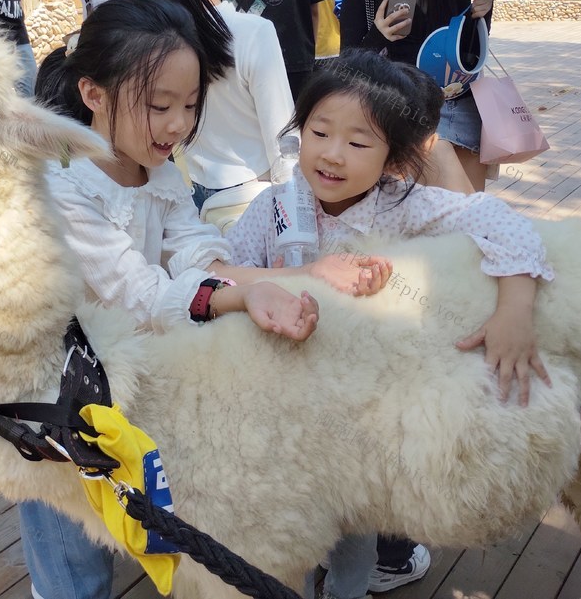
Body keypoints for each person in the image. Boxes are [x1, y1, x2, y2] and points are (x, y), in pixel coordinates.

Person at [21, 0, 389, 599]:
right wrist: (245, 296)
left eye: (190, 106)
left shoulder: (158, 170)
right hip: (55, 385)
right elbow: (139, 294)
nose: (177, 125)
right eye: (158, 105)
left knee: (117, 502)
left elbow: (197, 253)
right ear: (93, 93)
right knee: (70, 542)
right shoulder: (64, 185)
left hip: (122, 369)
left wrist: (297, 279)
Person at [227, 50, 555, 599]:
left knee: (355, 521)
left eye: (359, 143)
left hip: (358, 414)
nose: (333, 154)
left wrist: (514, 311)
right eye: (319, 132)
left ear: (393, 158)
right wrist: (296, 277)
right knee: (282, 522)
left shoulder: (402, 207)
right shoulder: (274, 207)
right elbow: (216, 269)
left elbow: (502, 222)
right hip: (275, 406)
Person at [144, 0, 294, 215]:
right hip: (251, 206)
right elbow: (285, 147)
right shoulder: (253, 33)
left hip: (182, 202)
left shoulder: (149, 25)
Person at [339, 0, 494, 192]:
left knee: (467, 213)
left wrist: (482, 15)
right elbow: (347, 72)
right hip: (402, 118)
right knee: (418, 215)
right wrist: (378, 36)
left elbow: (466, 57)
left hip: (458, 112)